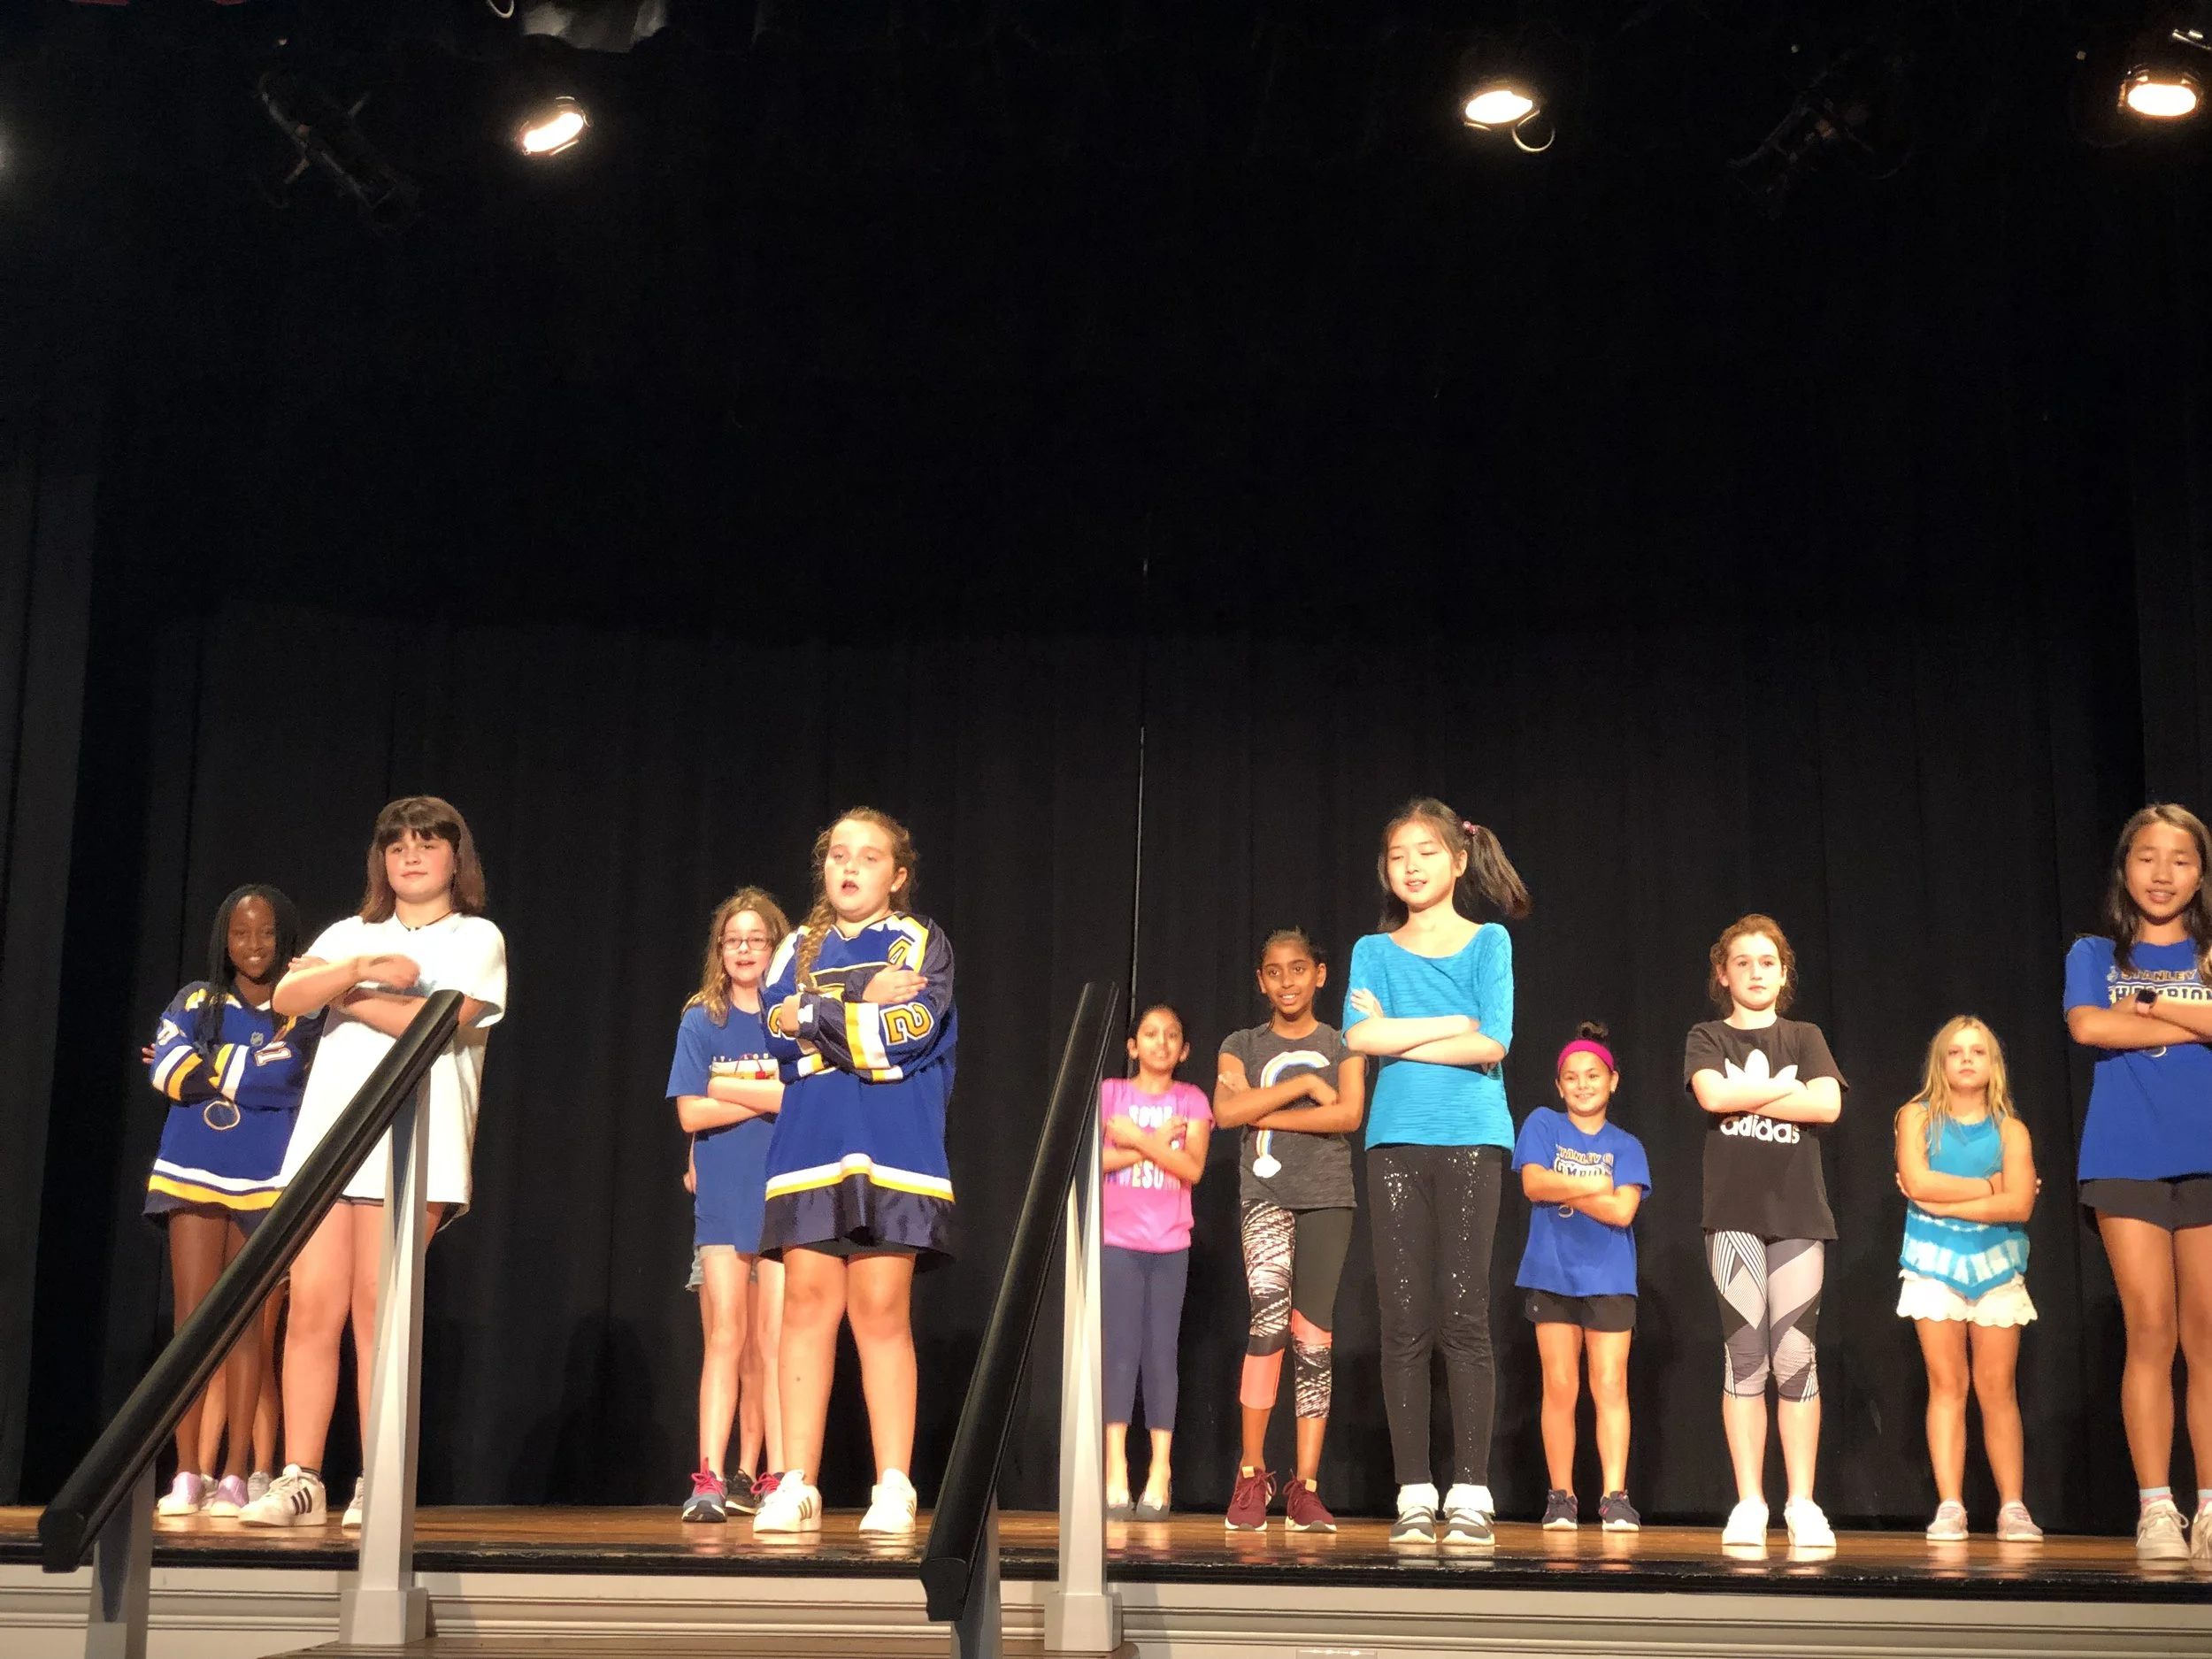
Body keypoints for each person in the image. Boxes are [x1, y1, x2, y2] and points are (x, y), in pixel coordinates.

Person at [242, 797, 507, 1528]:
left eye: (426, 844)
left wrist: (346, 995)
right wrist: (358, 967)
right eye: (397, 847)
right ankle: (301, 1474)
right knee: (312, 1307)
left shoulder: (476, 935)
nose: (411, 857)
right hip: (331, 1142)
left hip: (414, 1142)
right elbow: (290, 995)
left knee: (377, 1311)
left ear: (457, 856)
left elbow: (437, 1022)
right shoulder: (348, 931)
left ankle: (378, 1475)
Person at [751, 809, 956, 1537]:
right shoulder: (796, 948)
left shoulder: (921, 940)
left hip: (893, 1146)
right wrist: (855, 1000)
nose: (849, 866)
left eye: (868, 857)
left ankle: (893, 1481)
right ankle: (797, 1478)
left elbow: (905, 1037)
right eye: (839, 854)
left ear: (897, 875)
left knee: (879, 1308)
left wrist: (816, 1023)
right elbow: (773, 1030)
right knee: (803, 1303)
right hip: (808, 1145)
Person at [1341, 798, 1530, 1548]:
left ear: (1457, 859)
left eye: (1426, 851)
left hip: (1472, 1138)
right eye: (1397, 854)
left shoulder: (1489, 942)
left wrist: (1404, 1034)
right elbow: (1360, 1035)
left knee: (1464, 1313)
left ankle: (1472, 1490)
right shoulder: (1371, 948)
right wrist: (1451, 1025)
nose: (1411, 865)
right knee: (1404, 1320)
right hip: (1395, 1140)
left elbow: (1496, 1043)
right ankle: (1415, 1489)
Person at [2064, 803, 2212, 1561]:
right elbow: (2089, 1027)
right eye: (2148, 857)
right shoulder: (2095, 950)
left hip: (2208, 1155)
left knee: (2208, 1331)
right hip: (2125, 1155)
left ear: (2200, 871)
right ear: (2126, 867)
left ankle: (2211, 1505)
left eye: (2180, 859)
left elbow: (2122, 1019)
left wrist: (2147, 1002)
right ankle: (2158, 1505)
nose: (2163, 873)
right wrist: (2197, 1016)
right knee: (2151, 1326)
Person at [144, 886, 319, 1517]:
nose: (254, 945)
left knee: (248, 1323)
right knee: (193, 1320)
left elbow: (283, 1075)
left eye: (267, 932)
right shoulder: (197, 997)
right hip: (192, 1166)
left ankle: (237, 1472)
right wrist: (228, 1069)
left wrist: (211, 1068)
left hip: (267, 1175)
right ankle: (187, 1469)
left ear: (286, 937)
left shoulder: (299, 1007)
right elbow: (167, 1067)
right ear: (224, 937)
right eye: (242, 933)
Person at [1685, 914, 1844, 1551]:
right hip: (1733, 1217)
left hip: (1799, 1215)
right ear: (1723, 974)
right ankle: (1750, 1500)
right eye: (1743, 962)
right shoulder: (1706, 1034)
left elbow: (1827, 1105)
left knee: (1795, 1355)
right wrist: (1782, 1093)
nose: (1756, 972)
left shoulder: (1804, 1035)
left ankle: (1801, 1500)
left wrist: (1745, 1093)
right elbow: (1709, 1096)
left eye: (1767, 962)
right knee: (1746, 1355)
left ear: (1784, 973)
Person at [1215, 930, 1364, 1533]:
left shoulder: (1342, 1042)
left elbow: (1349, 1114)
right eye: (1274, 971)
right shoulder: (1241, 1043)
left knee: (1313, 1335)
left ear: (1320, 974)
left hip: (1328, 1197)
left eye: (1299, 968)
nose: (1287, 981)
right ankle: (1252, 1472)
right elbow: (1225, 1112)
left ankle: (1306, 1484)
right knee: (1267, 1324)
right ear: (1261, 980)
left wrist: (1261, 1109)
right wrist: (1303, 1087)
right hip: (1266, 1196)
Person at [1893, 1016, 2041, 1543]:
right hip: (1934, 1263)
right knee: (1947, 1384)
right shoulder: (1915, 1118)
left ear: (1992, 1063)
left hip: (1997, 1264)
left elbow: (2019, 1203)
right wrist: (1989, 1187)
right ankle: (1951, 1504)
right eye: (1955, 1051)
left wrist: (1938, 1197)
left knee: (1998, 1388)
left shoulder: (2011, 1130)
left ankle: (2012, 1506)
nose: (1966, 1059)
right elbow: (1916, 1180)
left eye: (1977, 1050)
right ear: (1941, 1061)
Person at [669, 889, 791, 1522]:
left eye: (756, 939)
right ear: (720, 950)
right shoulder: (701, 1019)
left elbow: (798, 1100)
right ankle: (709, 1476)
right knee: (725, 1337)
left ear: (776, 946)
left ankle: (770, 1474)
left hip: (780, 1194)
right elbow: (691, 1109)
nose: (744, 949)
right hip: (721, 1192)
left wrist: (724, 1085)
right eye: (733, 939)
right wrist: (760, 1091)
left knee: (772, 1345)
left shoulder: (792, 1016)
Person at [1512, 1022, 1647, 1533]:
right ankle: (1561, 1497)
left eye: (1593, 1075)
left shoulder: (1627, 1144)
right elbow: (1532, 1183)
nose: (1583, 1084)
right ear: (1559, 1084)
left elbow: (1622, 1213)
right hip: (1550, 1273)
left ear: (1612, 1081)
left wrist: (1561, 1187)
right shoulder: (1543, 1125)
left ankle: (1615, 1496)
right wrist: (1594, 1182)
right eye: (1572, 1076)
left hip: (1610, 1277)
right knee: (1560, 1385)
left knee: (1610, 1385)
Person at [1100, 1004, 1212, 1522]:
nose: (1161, 1043)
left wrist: (1138, 1140)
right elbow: (1095, 1160)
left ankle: (1160, 1471)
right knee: (1120, 1351)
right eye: (1150, 1033)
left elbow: (1191, 1166)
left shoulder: (1192, 1101)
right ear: (1132, 1045)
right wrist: (1157, 1142)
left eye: (1172, 1035)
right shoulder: (1110, 1096)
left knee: (1160, 1353)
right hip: (1118, 1239)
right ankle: (1116, 1468)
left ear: (1184, 1050)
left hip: (1170, 1244)